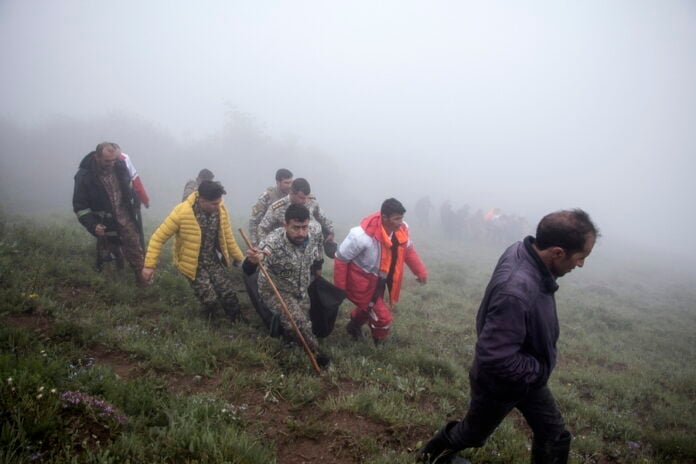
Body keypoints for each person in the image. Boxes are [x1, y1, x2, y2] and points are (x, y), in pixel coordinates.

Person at [416, 209, 599, 464]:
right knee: (473, 434)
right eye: (580, 257)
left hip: (525, 375)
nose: (580, 264)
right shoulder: (517, 291)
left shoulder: (524, 251)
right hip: (501, 383)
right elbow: (495, 357)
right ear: (557, 252)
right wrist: (538, 370)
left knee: (553, 433)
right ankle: (432, 457)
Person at [141, 180, 245, 321]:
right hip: (192, 263)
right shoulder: (182, 212)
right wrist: (149, 265)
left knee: (227, 292)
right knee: (209, 298)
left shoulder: (221, 210)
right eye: (214, 203)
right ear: (202, 201)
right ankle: (212, 323)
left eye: (219, 202)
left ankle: (237, 320)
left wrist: (240, 259)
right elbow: (158, 238)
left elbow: (228, 237)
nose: (218, 206)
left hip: (212, 259)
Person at [243, 204, 329, 367]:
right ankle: (318, 357)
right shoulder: (273, 242)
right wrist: (252, 260)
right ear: (285, 225)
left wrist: (318, 266)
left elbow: (318, 250)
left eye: (304, 227)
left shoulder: (315, 231)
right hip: (276, 290)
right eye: (296, 228)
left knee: (304, 322)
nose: (301, 233)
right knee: (299, 325)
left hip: (301, 289)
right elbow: (252, 265)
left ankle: (286, 338)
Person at [333, 198, 428, 345]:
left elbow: (408, 251)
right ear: (384, 218)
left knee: (368, 307)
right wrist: (339, 290)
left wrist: (420, 272)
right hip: (360, 282)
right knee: (383, 318)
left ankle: (353, 326)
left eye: (402, 218)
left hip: (379, 281)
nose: (400, 222)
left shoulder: (401, 231)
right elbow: (341, 259)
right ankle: (379, 344)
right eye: (396, 219)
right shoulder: (361, 236)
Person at [73, 142, 146, 284]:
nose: (111, 163)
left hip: (125, 218)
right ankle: (114, 279)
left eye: (113, 160)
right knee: (110, 251)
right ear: (97, 157)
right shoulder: (84, 176)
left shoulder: (120, 166)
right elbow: (80, 206)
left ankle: (142, 281)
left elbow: (129, 186)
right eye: (107, 161)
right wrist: (93, 225)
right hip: (104, 223)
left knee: (135, 248)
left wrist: (135, 200)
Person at [257, 177, 335, 257]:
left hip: (308, 251)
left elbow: (323, 219)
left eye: (306, 197)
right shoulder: (277, 208)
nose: (304, 201)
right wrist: (267, 248)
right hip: (284, 253)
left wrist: (331, 232)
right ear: (291, 193)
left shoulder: (311, 203)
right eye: (301, 198)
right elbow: (262, 228)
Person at [248, 168, 293, 246]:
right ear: (278, 182)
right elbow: (254, 222)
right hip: (269, 241)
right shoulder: (267, 197)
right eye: (286, 183)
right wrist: (255, 243)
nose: (289, 186)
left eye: (291, 182)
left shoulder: (294, 196)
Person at [112, 143, 150, 208]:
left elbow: (136, 181)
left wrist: (144, 199)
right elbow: (136, 181)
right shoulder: (124, 158)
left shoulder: (124, 158)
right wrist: (145, 200)